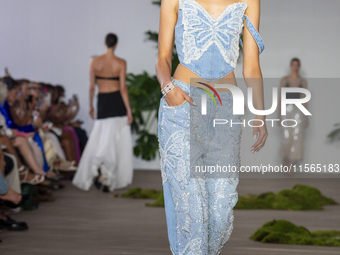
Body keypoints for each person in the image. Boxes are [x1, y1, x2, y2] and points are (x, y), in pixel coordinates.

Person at [156, 0, 267, 254]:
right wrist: (167, 87)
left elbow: (251, 66)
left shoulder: (250, 1)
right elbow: (162, 58)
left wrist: (260, 113)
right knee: (193, 212)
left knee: (220, 213)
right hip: (182, 102)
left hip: (225, 108)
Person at [72, 33, 134, 192]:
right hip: (117, 102)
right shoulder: (120, 63)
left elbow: (92, 87)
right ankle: (107, 177)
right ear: (116, 44)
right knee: (114, 140)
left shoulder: (95, 62)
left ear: (105, 43)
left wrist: (91, 105)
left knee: (101, 139)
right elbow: (123, 88)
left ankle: (103, 173)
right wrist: (128, 110)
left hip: (103, 101)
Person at [279, 58, 308, 173]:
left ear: (299, 67)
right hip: (286, 109)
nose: (295, 67)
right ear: (290, 66)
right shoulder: (284, 80)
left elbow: (305, 99)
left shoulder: (303, 81)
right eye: (293, 65)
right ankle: (284, 160)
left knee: (297, 136)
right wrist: (279, 114)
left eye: (297, 65)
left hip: (298, 110)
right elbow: (281, 97)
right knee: (287, 136)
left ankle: (291, 164)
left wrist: (306, 116)